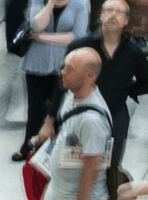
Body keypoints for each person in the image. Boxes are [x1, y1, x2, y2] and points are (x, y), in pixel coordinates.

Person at [41, 0, 148, 168]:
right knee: (73, 166)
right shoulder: (81, 46)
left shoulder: (133, 52)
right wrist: (49, 121)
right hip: (80, 114)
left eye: (119, 13)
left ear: (126, 21)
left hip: (115, 117)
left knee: (110, 168)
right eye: (109, 11)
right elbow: (61, 84)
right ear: (101, 16)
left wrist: (126, 90)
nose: (113, 16)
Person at [13, 0, 91, 161]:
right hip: (37, 61)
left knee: (56, 110)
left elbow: (77, 36)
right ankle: (29, 144)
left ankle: (52, 150)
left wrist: (44, 37)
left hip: (63, 65)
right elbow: (36, 23)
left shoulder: (82, 2)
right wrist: (50, 3)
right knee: (34, 106)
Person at [30, 48, 111, 200]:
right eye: (64, 67)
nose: (62, 72)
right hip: (58, 191)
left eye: (70, 69)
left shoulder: (92, 121)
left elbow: (91, 172)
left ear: (89, 76)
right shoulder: (72, 94)